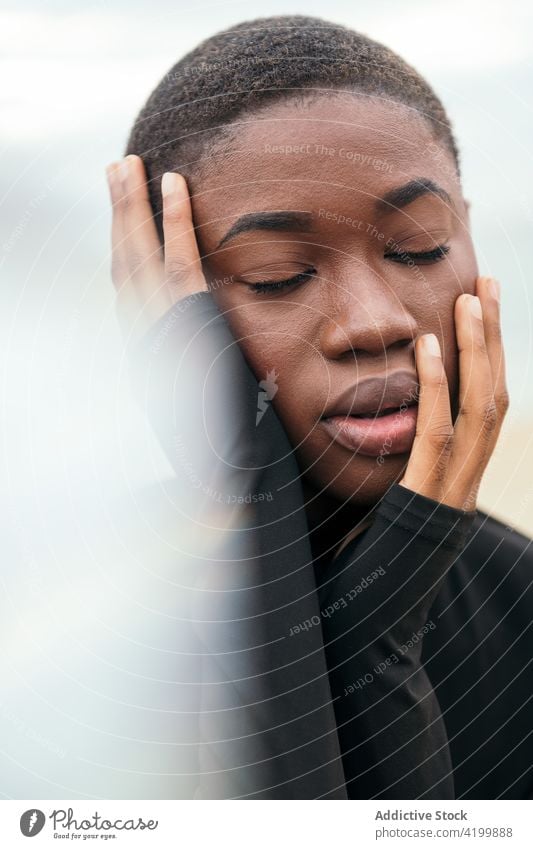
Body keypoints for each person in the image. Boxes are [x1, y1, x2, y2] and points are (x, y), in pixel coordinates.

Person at [105, 15, 533, 799]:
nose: (375, 320)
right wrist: (268, 525)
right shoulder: (63, 635)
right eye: (274, 276)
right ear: (169, 311)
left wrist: (377, 634)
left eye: (418, 247)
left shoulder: (523, 601)